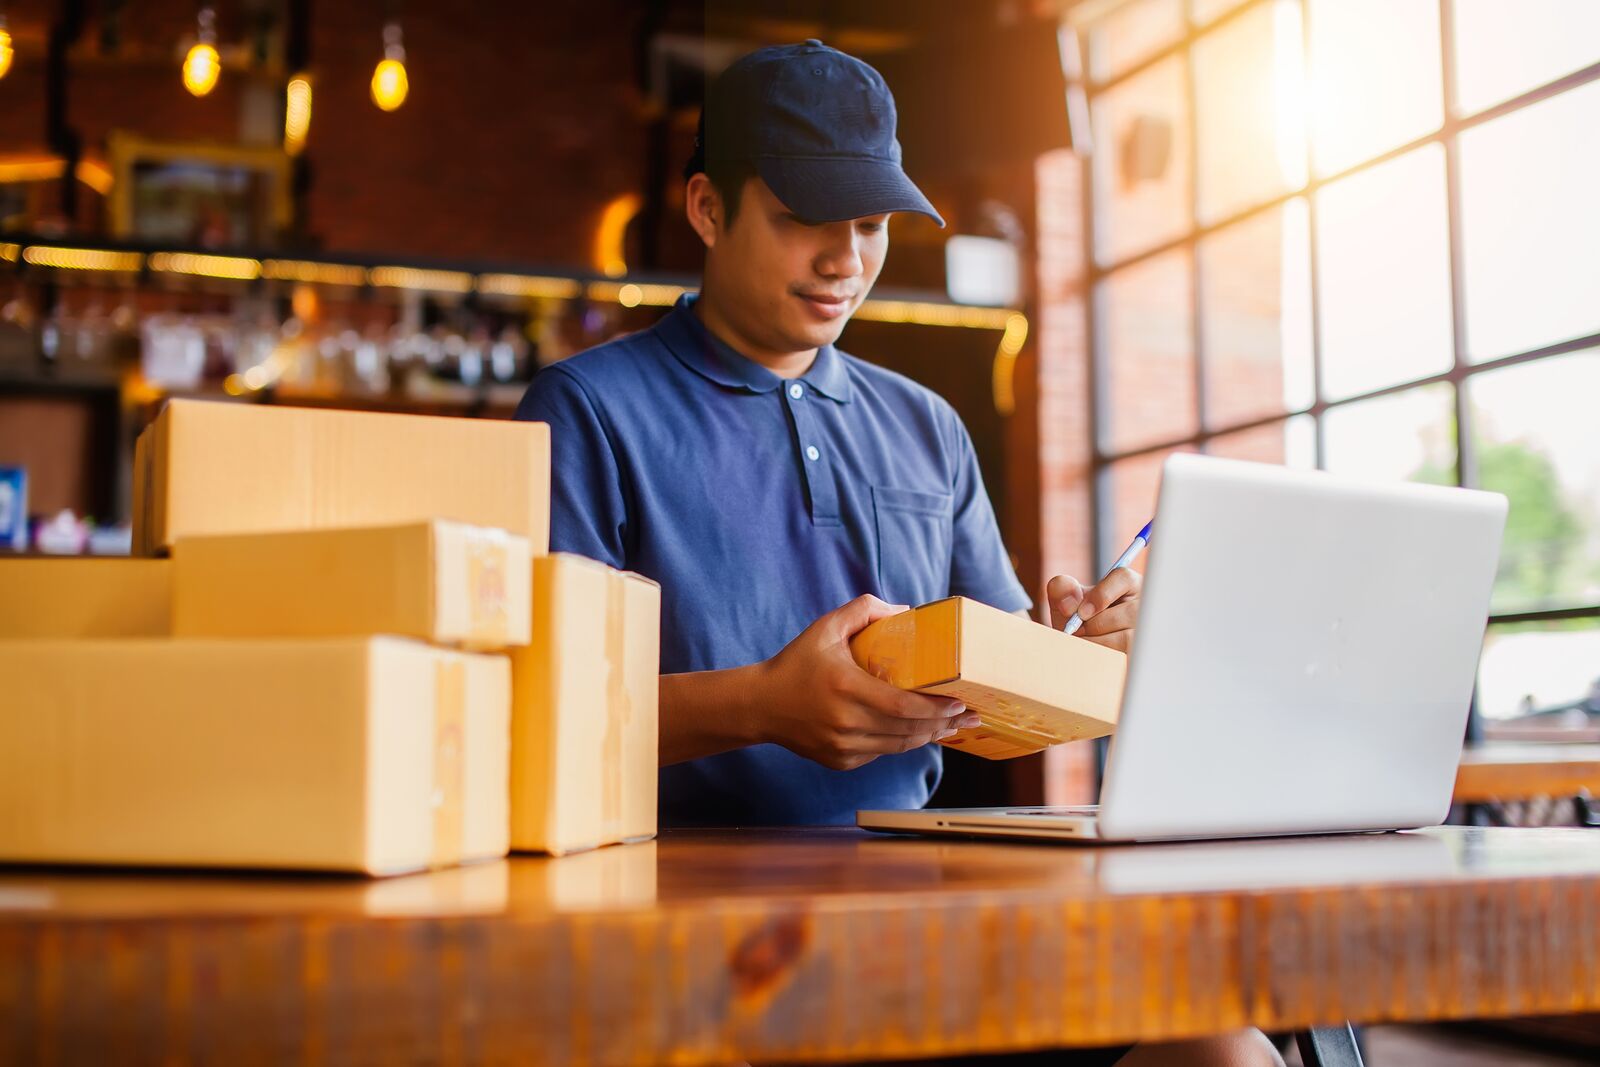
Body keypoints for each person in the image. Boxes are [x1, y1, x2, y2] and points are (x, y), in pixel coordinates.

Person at [516, 41, 1282, 1067]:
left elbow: (1004, 672)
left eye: (869, 224)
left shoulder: (928, 424)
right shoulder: (587, 412)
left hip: (913, 891)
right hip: (672, 913)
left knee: (1216, 1041)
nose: (845, 261)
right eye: (803, 220)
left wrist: (1081, 653)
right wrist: (760, 705)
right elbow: (538, 717)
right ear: (706, 209)